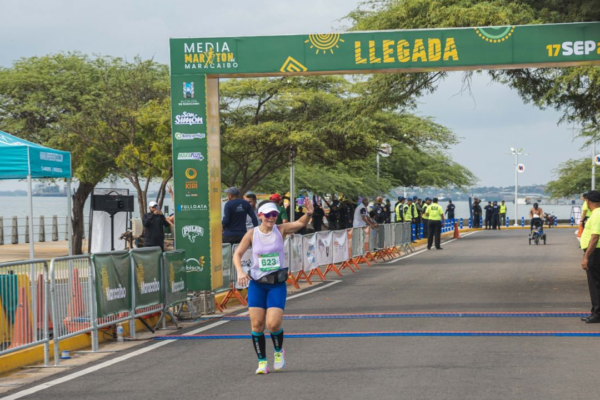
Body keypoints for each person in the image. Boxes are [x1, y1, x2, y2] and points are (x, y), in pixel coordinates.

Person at [233, 199, 315, 374]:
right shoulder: (252, 234)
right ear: (260, 215)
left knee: (273, 324)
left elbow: (300, 223)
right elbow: (237, 253)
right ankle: (262, 361)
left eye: (274, 214)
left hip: (276, 285)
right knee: (257, 325)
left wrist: (308, 213)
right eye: (268, 215)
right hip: (257, 284)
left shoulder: (281, 230)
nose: (271, 218)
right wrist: (240, 271)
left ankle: (278, 352)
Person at [579, 190, 600, 323]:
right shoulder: (595, 214)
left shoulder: (597, 215)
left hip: (595, 252)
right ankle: (595, 311)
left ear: (588, 202)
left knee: (595, 283)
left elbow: (594, 238)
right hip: (595, 252)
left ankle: (597, 313)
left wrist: (586, 257)